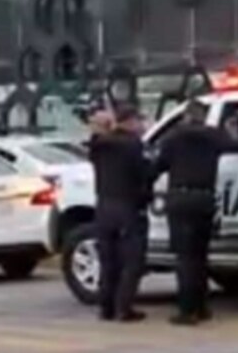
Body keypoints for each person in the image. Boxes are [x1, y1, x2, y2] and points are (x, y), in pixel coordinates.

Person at [152, 100, 238, 326]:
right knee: (200, 257)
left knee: (185, 259)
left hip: (181, 199)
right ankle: (201, 307)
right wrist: (232, 129)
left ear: (185, 116)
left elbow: (158, 166)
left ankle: (186, 311)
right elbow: (236, 145)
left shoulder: (172, 137)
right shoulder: (214, 136)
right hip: (204, 200)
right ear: (204, 116)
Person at [88, 105, 151, 323]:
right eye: (139, 121)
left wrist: (102, 127)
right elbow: (143, 175)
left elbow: (95, 142)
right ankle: (124, 308)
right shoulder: (133, 145)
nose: (142, 126)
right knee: (132, 261)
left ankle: (106, 308)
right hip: (127, 207)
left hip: (104, 207)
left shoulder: (100, 145)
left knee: (108, 261)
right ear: (130, 121)